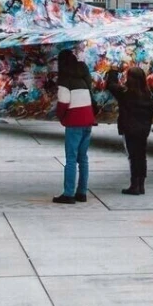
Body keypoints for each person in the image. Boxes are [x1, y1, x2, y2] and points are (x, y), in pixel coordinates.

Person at [53, 49, 95, 204]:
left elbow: (63, 103)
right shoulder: (84, 78)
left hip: (74, 121)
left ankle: (68, 193)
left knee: (71, 158)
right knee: (82, 158)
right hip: (87, 120)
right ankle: (82, 192)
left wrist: (61, 117)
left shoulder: (65, 80)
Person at [108, 66, 153, 195]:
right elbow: (151, 113)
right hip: (143, 129)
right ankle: (141, 184)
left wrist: (113, 70)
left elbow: (111, 85)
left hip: (130, 128)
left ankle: (134, 185)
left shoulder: (125, 93)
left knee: (133, 156)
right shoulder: (148, 94)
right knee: (141, 156)